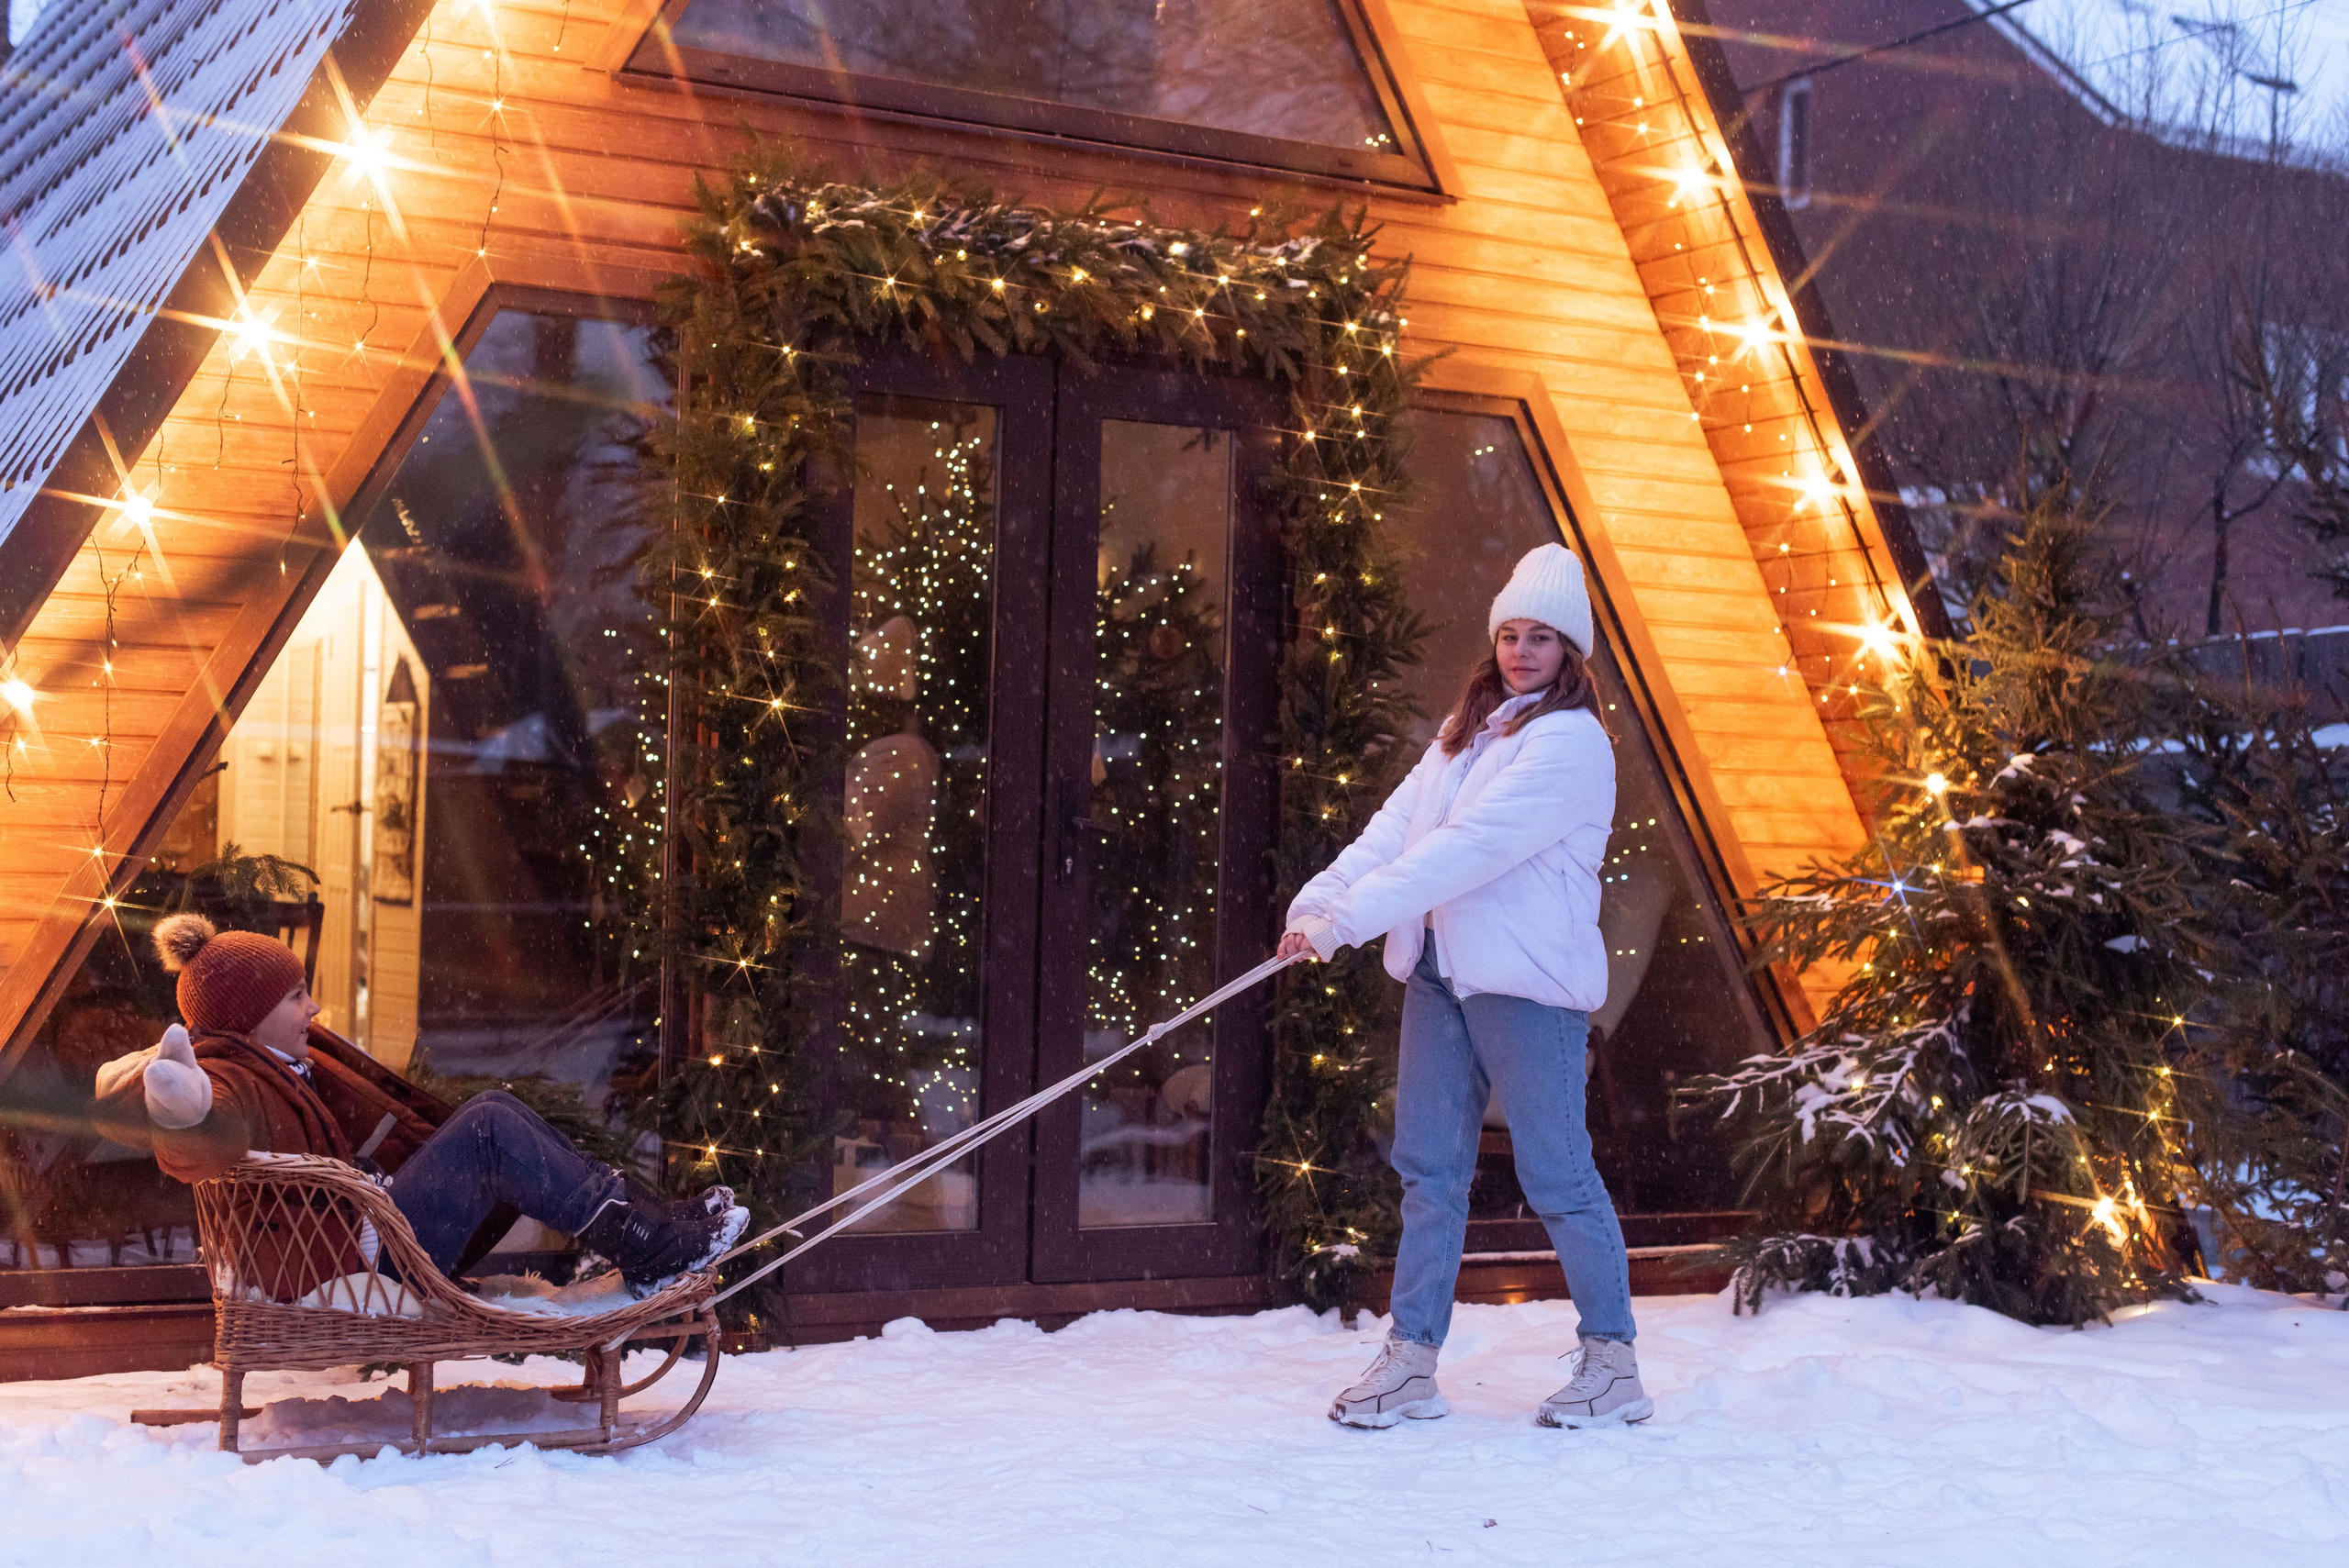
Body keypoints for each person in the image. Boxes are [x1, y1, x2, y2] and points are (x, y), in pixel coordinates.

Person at [1279, 543, 1651, 1430]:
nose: (1523, 649)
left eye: (1543, 636)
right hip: (1441, 978)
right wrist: (1318, 902)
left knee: (1557, 1173)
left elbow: (1466, 849)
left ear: (1570, 652)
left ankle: (1613, 1362)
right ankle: (1411, 1360)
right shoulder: (1463, 736)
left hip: (1526, 987)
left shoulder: (1570, 744)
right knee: (1431, 1173)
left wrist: (1350, 923)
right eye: (1511, 633)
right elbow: (1393, 833)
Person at [94, 914, 746, 1296]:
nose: (312, 1008)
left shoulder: (283, 1061)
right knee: (488, 1125)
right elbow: (203, 1136)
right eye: (295, 997)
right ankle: (646, 1240)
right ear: (248, 1015)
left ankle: (647, 1223)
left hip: (366, 1233)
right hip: (352, 1262)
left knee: (491, 1106)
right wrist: (185, 1106)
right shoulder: (236, 1078)